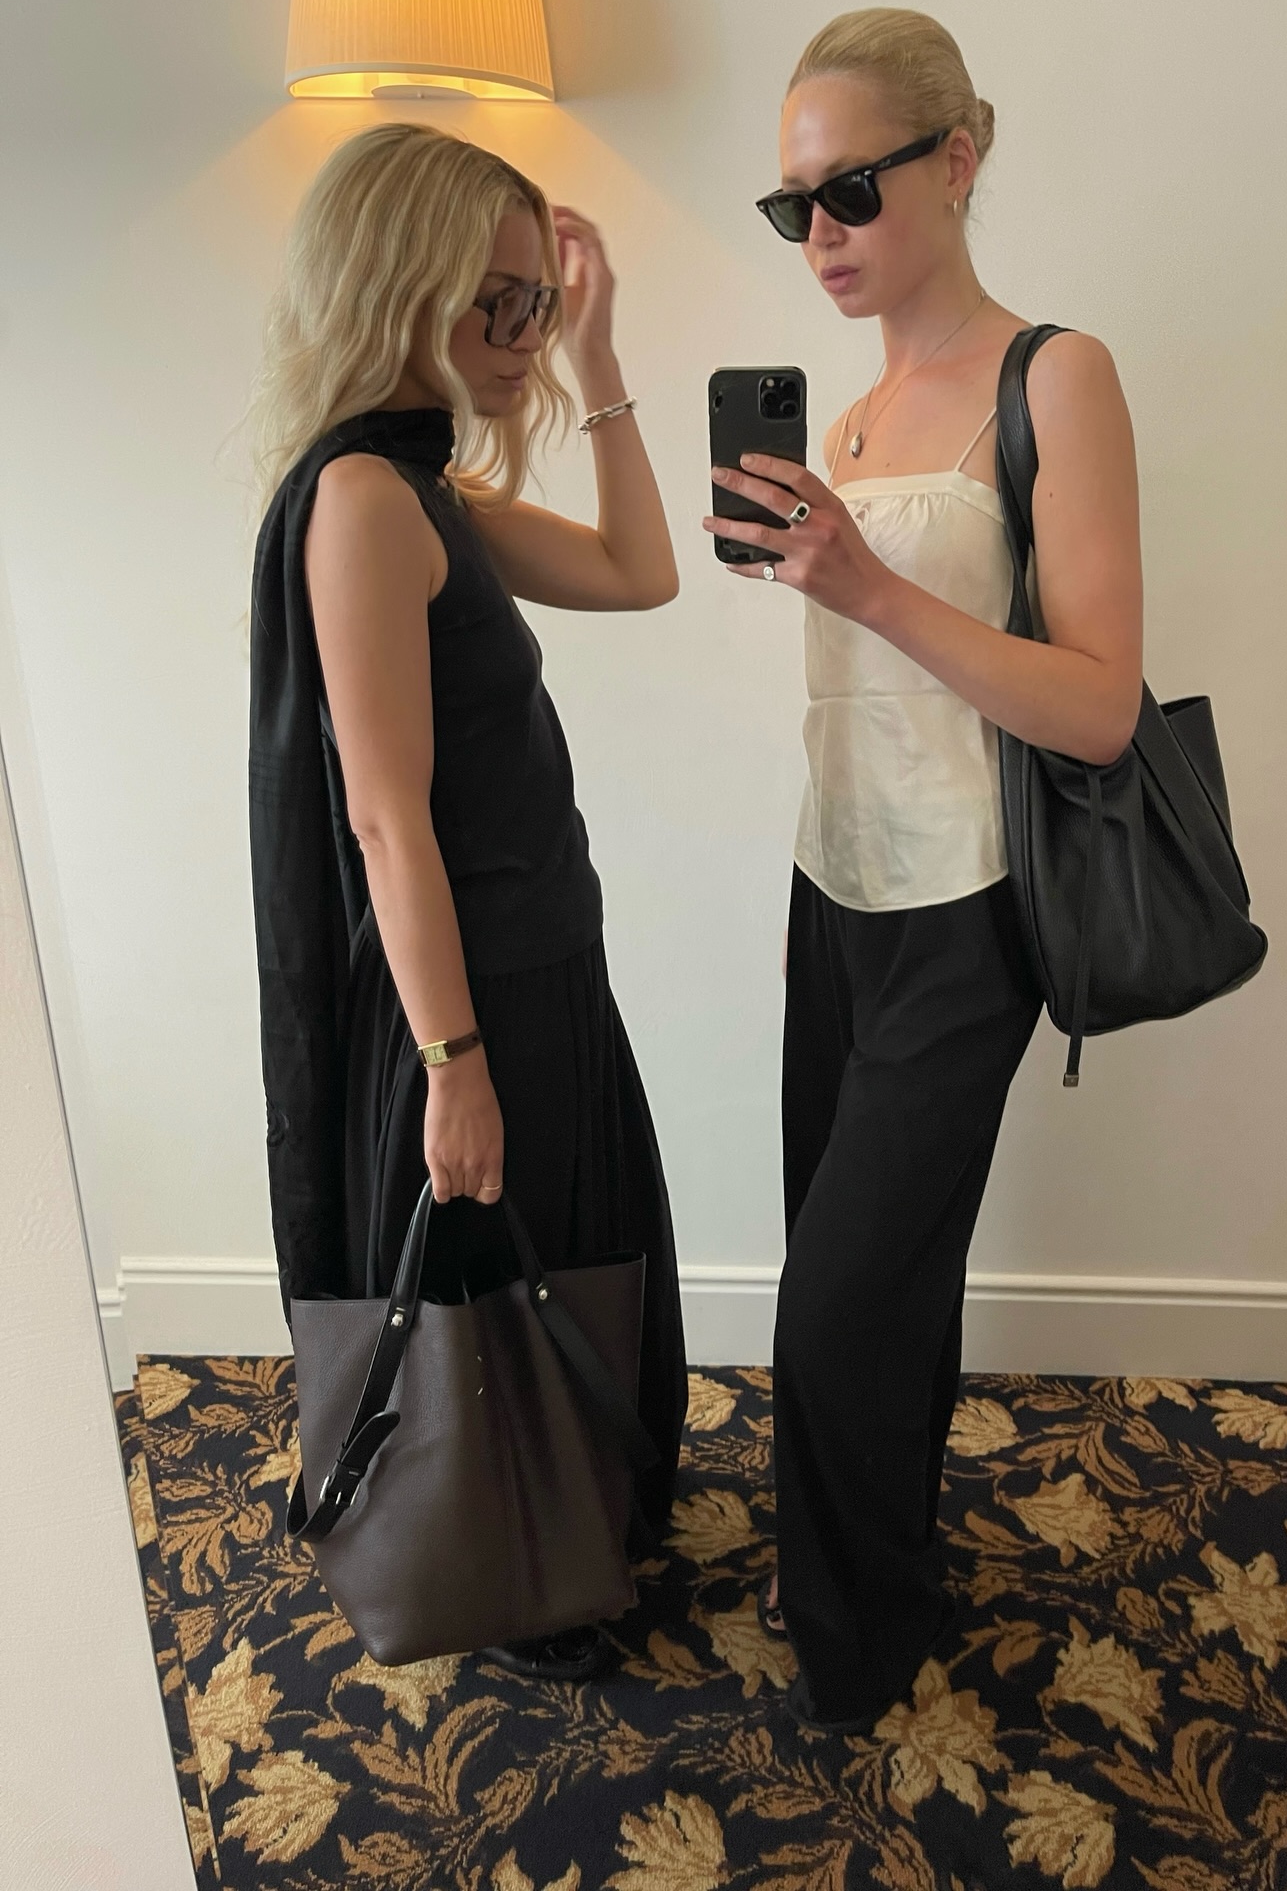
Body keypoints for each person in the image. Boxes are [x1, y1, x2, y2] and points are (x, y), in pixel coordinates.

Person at [703, 8, 1144, 1732]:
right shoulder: (855, 418)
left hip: (970, 909)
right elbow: (864, 688)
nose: (819, 235)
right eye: (791, 206)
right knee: (881, 1282)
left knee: (833, 1308)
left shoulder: (1056, 378)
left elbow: (1099, 707)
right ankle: (874, 1574)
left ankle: (854, 1640)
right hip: (832, 893)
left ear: (957, 160)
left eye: (850, 191)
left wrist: (868, 587)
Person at [248, 122, 687, 1683]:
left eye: (534, 303)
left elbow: (641, 570)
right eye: (497, 302)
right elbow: (385, 816)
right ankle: (511, 1575)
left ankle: (569, 1532)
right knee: (499, 1298)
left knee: (571, 1274)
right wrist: (453, 1062)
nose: (523, 335)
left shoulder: (428, 488)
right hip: (476, 995)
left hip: (542, 965)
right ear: (399, 286)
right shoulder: (366, 500)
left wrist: (604, 353)